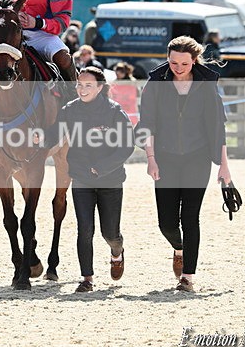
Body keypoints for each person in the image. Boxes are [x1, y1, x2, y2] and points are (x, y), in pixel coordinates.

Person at [136, 36, 232, 293]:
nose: (178, 68)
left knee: (190, 217)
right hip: (164, 158)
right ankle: (179, 248)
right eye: (173, 62)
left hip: (197, 158)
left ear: (194, 60)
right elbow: (148, 122)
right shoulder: (156, 83)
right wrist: (151, 158)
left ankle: (188, 277)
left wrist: (224, 166)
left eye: (184, 63)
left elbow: (216, 127)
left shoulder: (206, 84)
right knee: (166, 222)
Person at [37, 67, 135, 292]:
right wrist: (41, 137)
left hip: (110, 179)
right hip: (81, 177)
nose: (82, 89)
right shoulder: (69, 110)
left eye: (88, 85)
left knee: (110, 233)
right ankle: (87, 278)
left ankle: (117, 252)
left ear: (100, 88)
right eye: (79, 85)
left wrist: (101, 168)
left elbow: (126, 145)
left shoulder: (114, 111)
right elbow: (55, 133)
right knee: (85, 229)